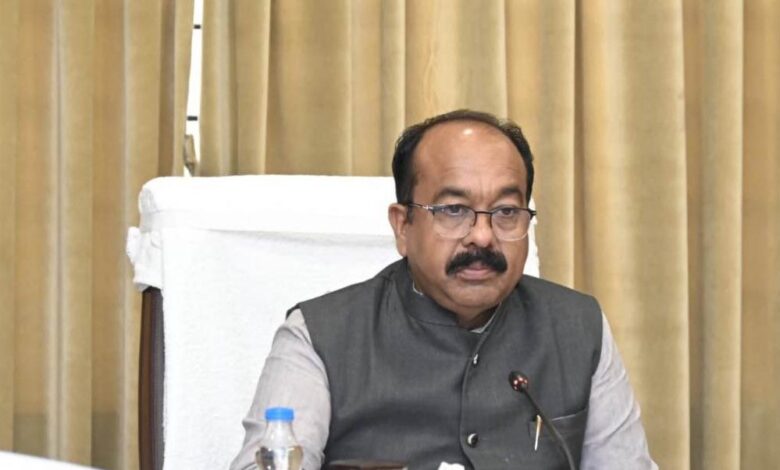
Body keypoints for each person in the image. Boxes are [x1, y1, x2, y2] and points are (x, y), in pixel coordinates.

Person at [231, 110, 657, 469]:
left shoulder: (578, 328)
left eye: (506, 211)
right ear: (403, 226)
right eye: (454, 210)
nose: (483, 236)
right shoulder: (320, 336)